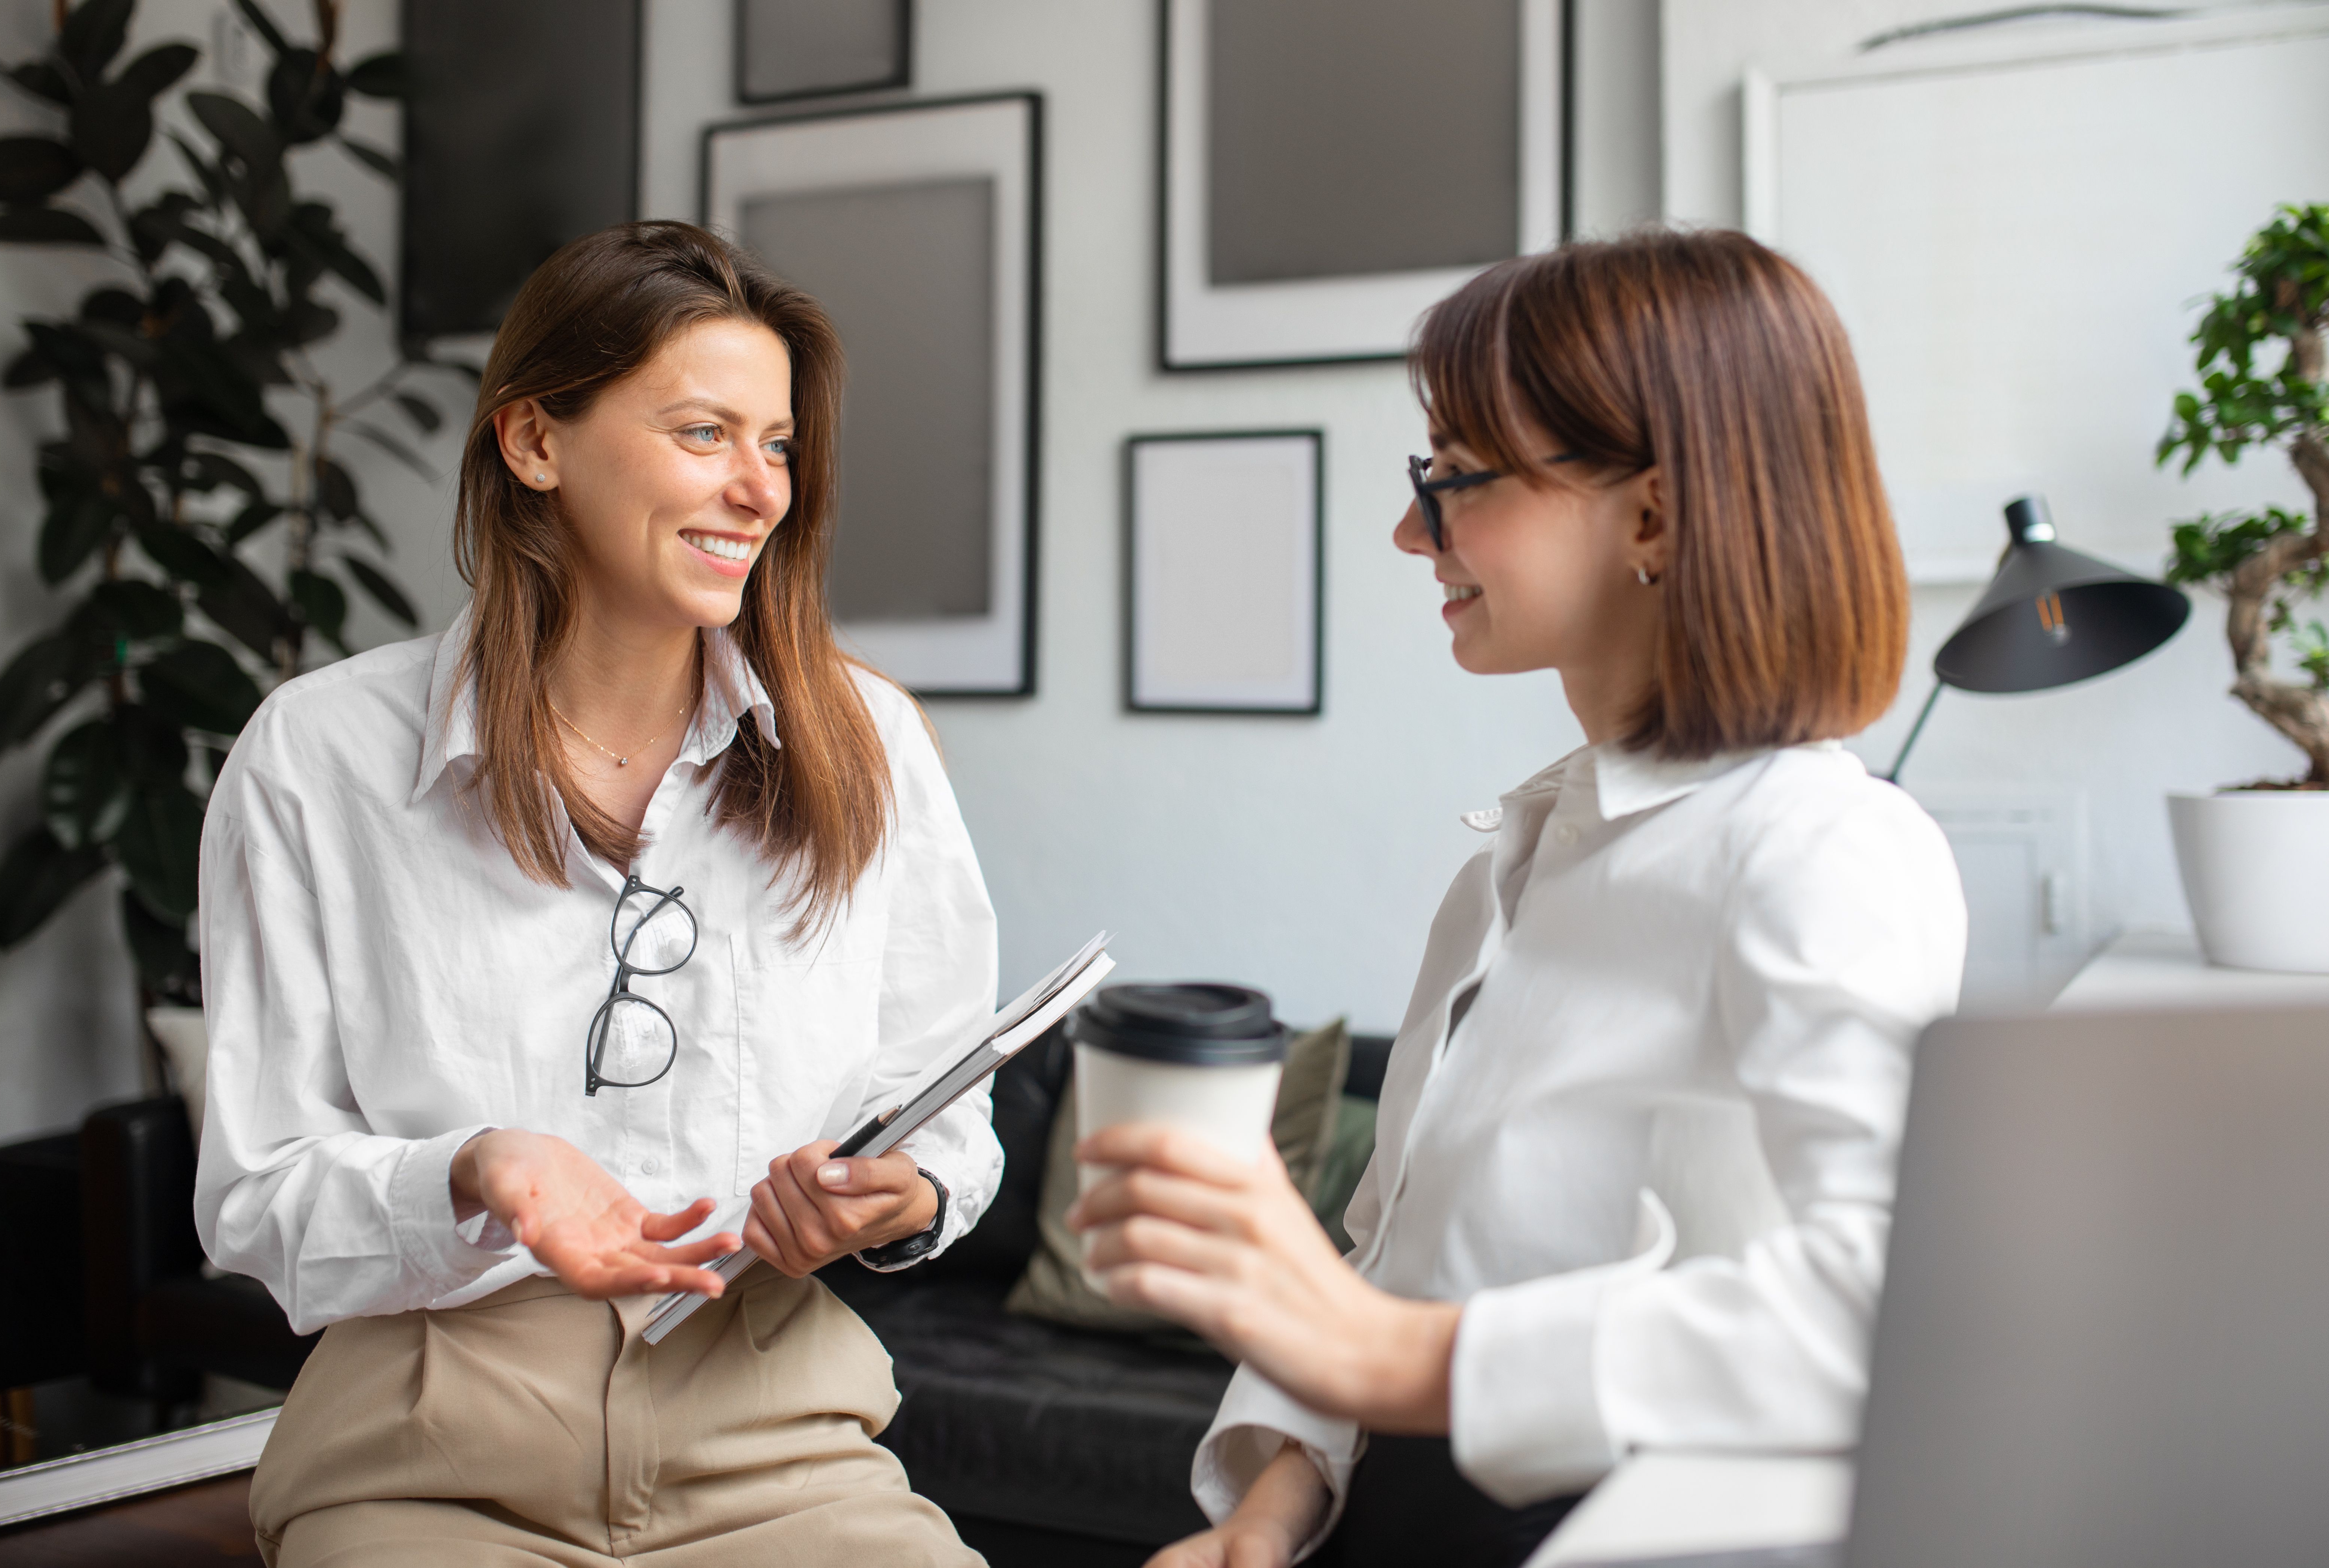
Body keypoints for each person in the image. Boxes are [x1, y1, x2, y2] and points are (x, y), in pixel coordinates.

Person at [1068, 229, 1968, 1568]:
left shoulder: (1820, 849)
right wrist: (1272, 1511)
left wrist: (1399, 1354)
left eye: (1455, 480)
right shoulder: (1523, 860)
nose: (1407, 530)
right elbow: (1390, 1249)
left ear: (1652, 516)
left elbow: (1882, 1314)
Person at [195, 222, 997, 1567]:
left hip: (778, 1450)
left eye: (780, 445)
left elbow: (950, 1114)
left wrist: (897, 1193)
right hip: (427, 1464)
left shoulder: (870, 747)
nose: (760, 490)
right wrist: (476, 1170)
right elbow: (256, 1200)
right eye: (703, 433)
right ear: (533, 443)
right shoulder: (317, 757)